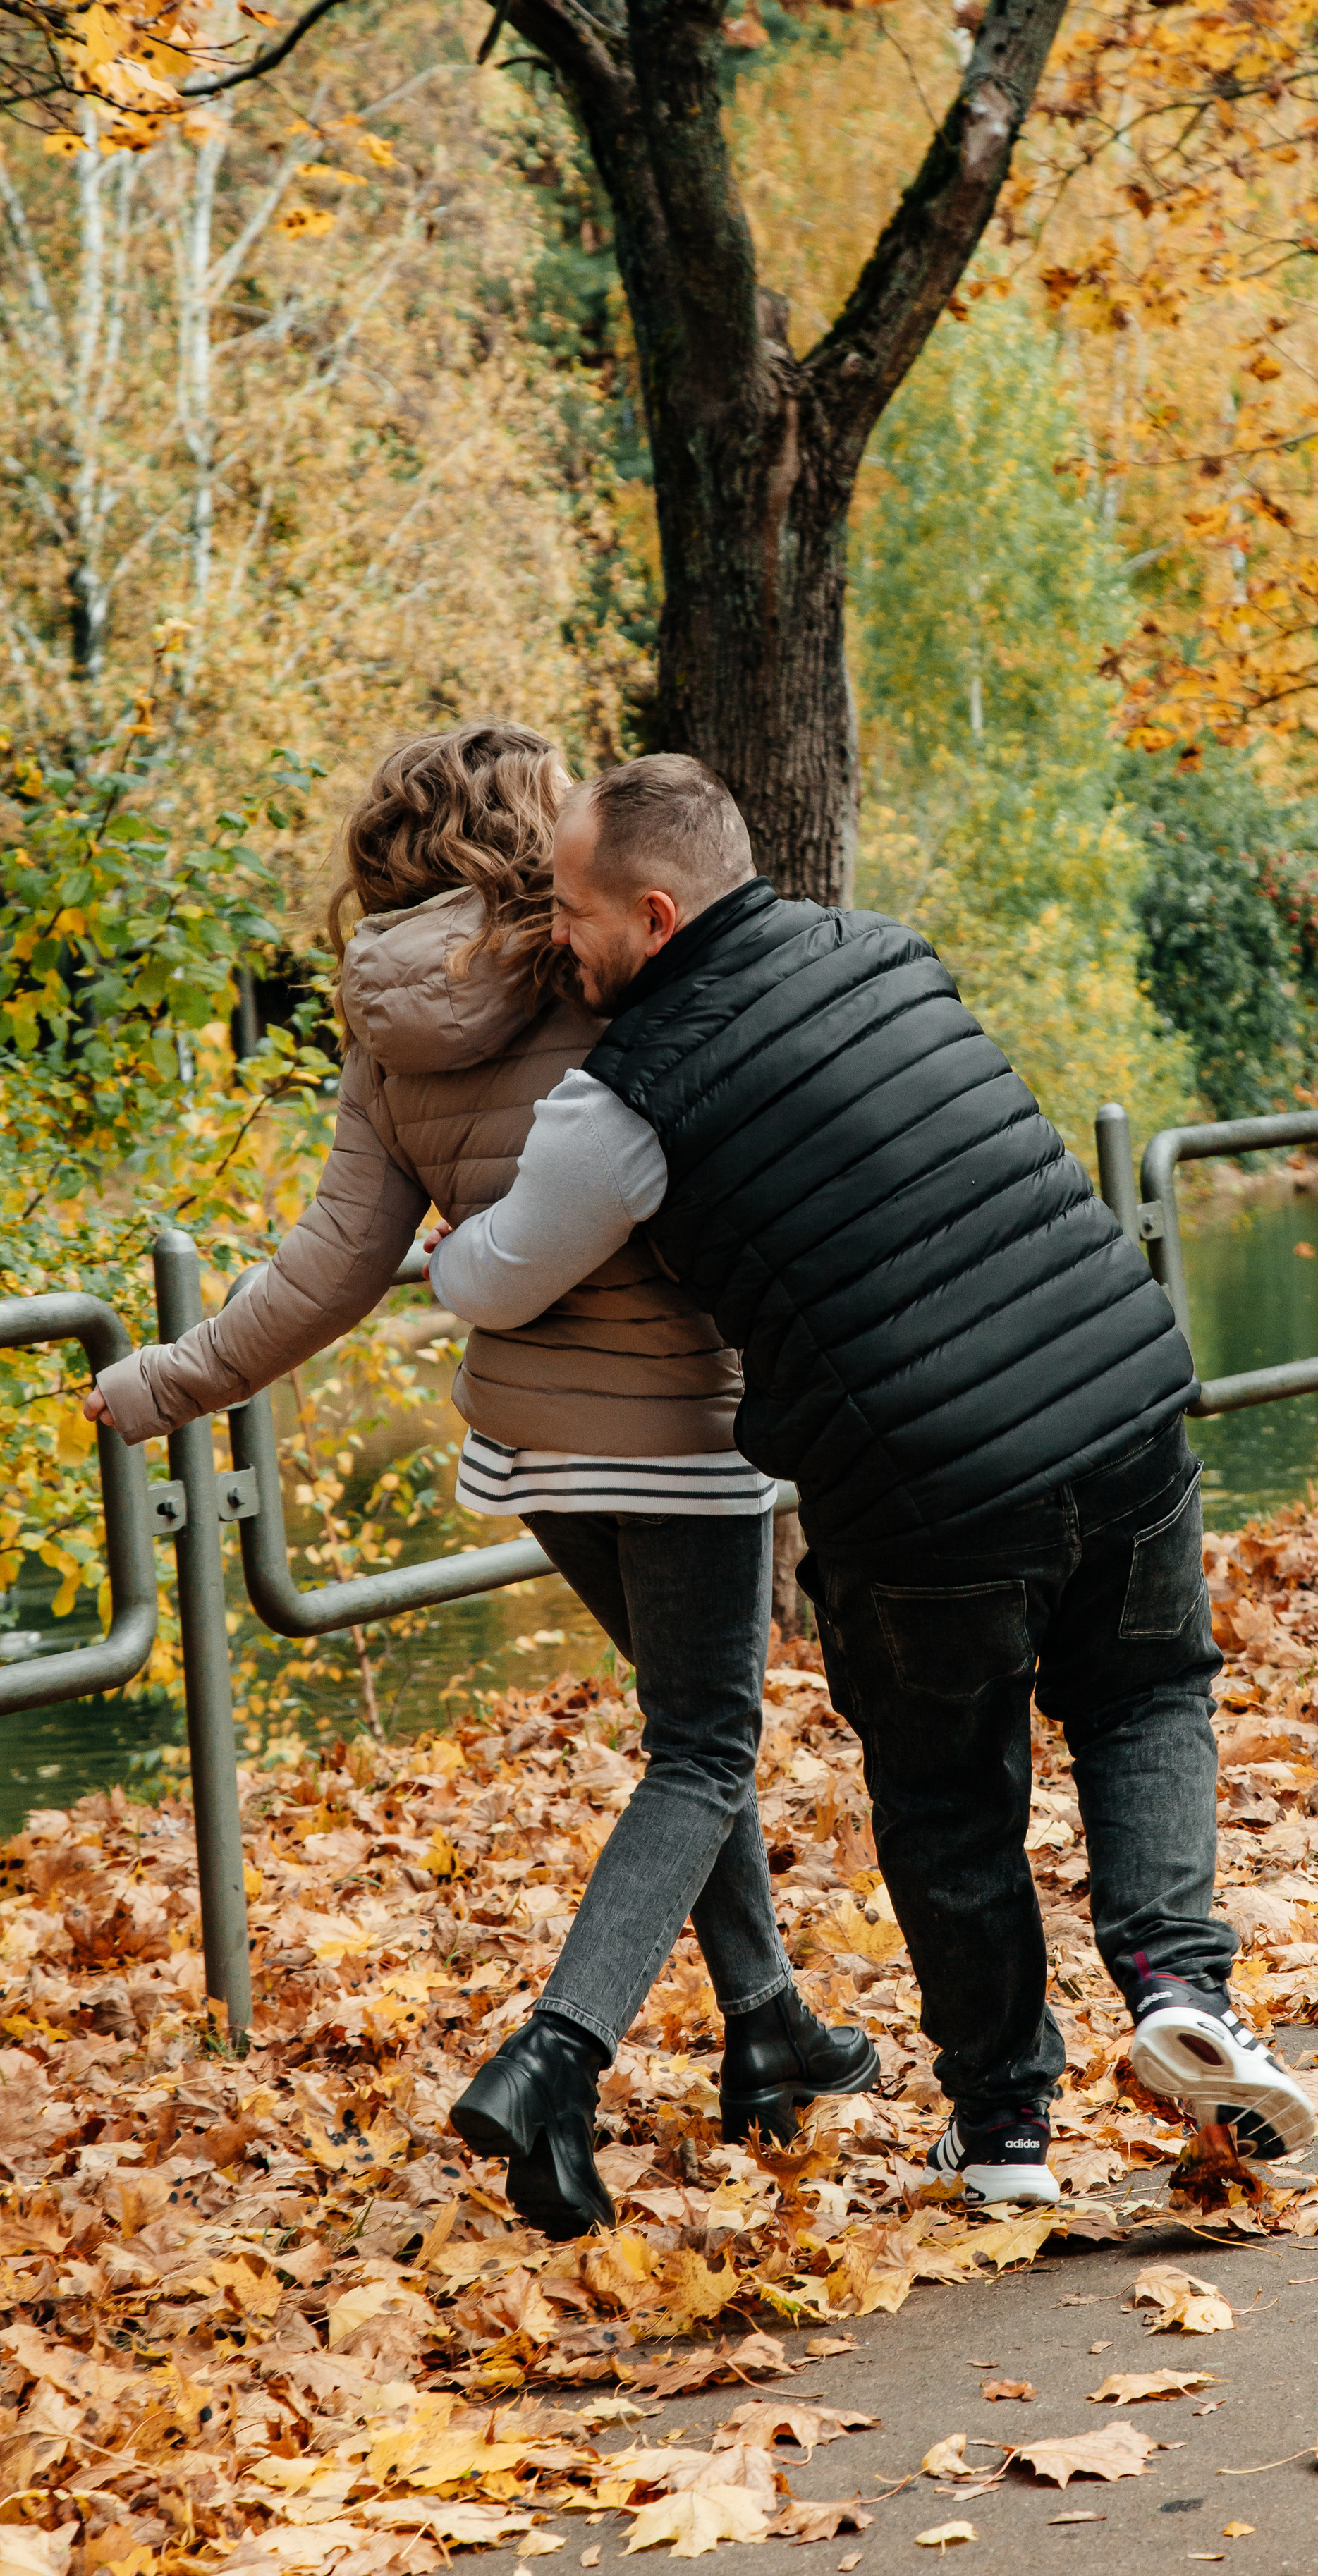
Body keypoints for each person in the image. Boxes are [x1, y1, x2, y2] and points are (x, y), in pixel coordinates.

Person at [425, 750, 1318, 2207]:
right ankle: (1180, 1990)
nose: (556, 941)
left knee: (946, 1792)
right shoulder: (884, 951)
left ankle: (1004, 2132)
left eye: (573, 914)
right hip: (1117, 1397)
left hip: (922, 1486)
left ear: (653, 917)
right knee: (1143, 1695)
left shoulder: (620, 1101)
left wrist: (434, 1243)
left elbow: (500, 1277)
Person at [83, 722, 874, 2238]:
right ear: (531, 832)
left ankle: (768, 2027)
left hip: (536, 1450)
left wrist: (162, 1381)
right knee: (703, 1751)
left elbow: (328, 1266)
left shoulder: (386, 1017)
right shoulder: (608, 970)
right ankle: (553, 2066)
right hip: (680, 1430)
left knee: (683, 1749)